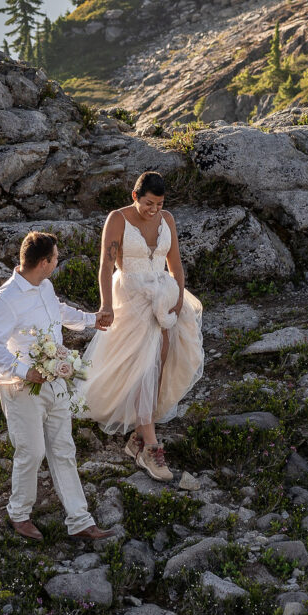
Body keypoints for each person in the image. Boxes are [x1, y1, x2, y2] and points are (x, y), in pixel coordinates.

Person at [72, 171, 203, 482]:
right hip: (131, 298)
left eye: (159, 204)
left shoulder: (167, 219)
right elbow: (106, 264)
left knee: (160, 363)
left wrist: (180, 297)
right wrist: (105, 304)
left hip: (164, 296)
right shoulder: (118, 219)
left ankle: (138, 437)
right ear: (135, 196)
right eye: (148, 203)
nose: (154, 210)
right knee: (144, 365)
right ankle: (151, 448)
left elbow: (176, 263)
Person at [0, 230, 113, 542]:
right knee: (32, 451)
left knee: (64, 449)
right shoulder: (4, 300)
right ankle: (19, 514)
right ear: (44, 262)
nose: (57, 263)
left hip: (55, 381)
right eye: (55, 258)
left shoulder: (45, 286)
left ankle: (80, 520)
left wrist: (92, 319)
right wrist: (26, 371)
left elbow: (59, 310)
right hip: (21, 387)